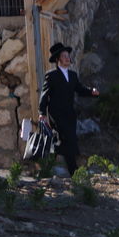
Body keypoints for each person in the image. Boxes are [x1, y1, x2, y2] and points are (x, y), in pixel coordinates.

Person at [38, 42, 98, 175]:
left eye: (68, 56)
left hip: (69, 114)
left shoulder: (72, 75)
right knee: (65, 139)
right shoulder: (51, 75)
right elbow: (45, 95)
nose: (67, 58)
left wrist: (91, 91)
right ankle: (73, 172)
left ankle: (46, 171)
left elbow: (80, 89)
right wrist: (42, 113)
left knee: (62, 142)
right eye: (64, 56)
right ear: (58, 59)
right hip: (56, 114)